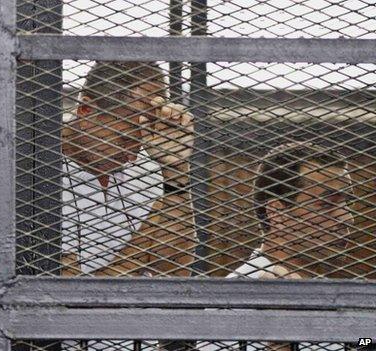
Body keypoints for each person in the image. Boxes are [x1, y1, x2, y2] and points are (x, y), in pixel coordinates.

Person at [60, 61, 197, 350]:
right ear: (86, 109)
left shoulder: (146, 167)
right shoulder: (34, 172)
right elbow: (74, 304)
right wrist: (146, 243)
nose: (136, 153)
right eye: (125, 139)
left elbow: (176, 271)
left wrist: (175, 170)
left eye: (143, 139)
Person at [198, 142, 355, 351]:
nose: (348, 218)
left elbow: (362, 343)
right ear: (277, 214)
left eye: (348, 204)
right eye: (327, 204)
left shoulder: (331, 298)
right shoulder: (234, 306)